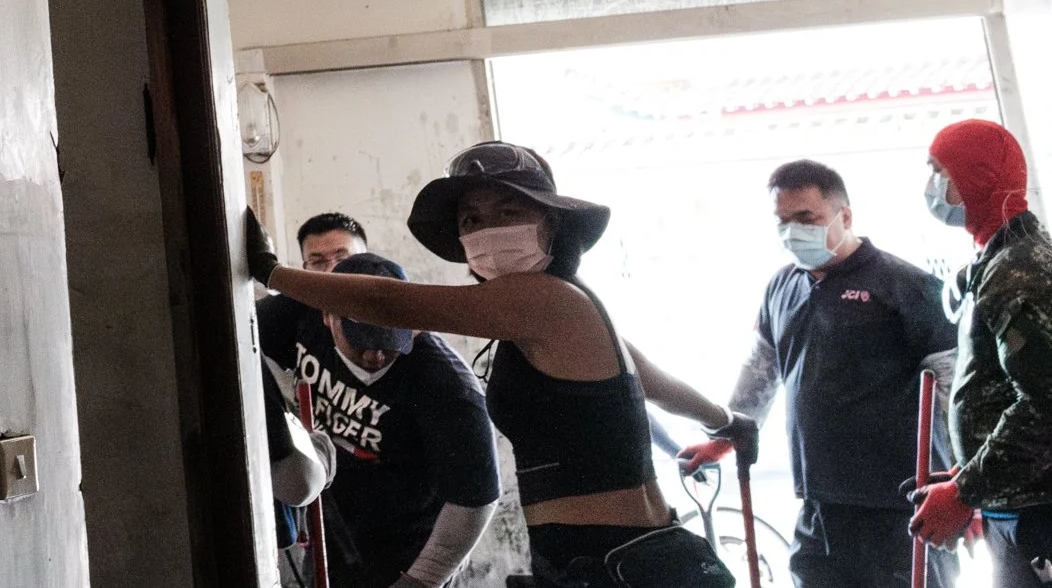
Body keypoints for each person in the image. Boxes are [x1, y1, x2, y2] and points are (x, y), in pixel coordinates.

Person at [249, 141, 748, 586]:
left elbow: (390, 301)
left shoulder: (549, 301)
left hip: (622, 559)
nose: (489, 230)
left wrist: (272, 271)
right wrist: (727, 423)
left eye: (510, 210)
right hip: (586, 559)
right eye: (472, 220)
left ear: (551, 223)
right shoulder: (569, 308)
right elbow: (654, 382)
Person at [700, 158, 954, 588]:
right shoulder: (781, 287)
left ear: (845, 216)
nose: (792, 232)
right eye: (782, 221)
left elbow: (952, 386)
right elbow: (763, 367)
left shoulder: (904, 285)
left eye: (806, 218)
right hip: (818, 504)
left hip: (898, 508)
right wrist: (728, 433)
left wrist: (962, 488)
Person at [267, 253, 500, 588]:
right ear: (327, 316)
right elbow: (242, 348)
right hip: (333, 531)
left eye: (390, 343)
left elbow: (474, 500)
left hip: (413, 546)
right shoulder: (295, 313)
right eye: (361, 341)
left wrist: (420, 581)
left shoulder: (448, 388)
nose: (375, 355)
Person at [909, 119, 1052, 576]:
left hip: (1039, 514)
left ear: (977, 177)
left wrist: (965, 490)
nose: (932, 185)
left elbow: (1046, 401)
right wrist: (967, 474)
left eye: (940, 171)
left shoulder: (1019, 270)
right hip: (1017, 505)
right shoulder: (999, 261)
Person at [258, 212, 371, 371]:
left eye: (343, 259)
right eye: (317, 262)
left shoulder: (396, 319)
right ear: (305, 269)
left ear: (369, 260)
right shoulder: (288, 310)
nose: (331, 270)